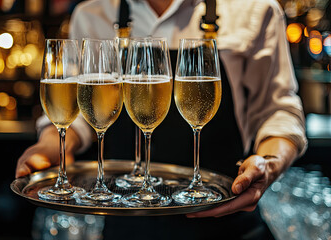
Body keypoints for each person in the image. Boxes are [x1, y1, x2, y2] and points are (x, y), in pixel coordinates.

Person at [16, 0, 307, 239]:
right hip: (126, 224)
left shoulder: (255, 9)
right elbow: (83, 108)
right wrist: (52, 143)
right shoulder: (92, 13)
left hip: (226, 224)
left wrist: (270, 162)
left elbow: (278, 111)